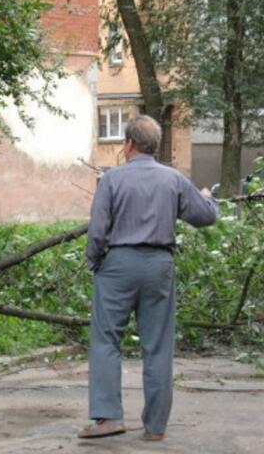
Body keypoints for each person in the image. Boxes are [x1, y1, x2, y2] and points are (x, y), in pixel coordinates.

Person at [78, 115, 218, 441]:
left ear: (128, 143)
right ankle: (155, 427)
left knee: (106, 340)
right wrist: (208, 197)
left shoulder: (111, 180)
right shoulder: (174, 179)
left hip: (118, 265)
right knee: (157, 346)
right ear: (153, 146)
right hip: (159, 265)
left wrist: (96, 262)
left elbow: (98, 231)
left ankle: (109, 418)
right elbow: (204, 216)